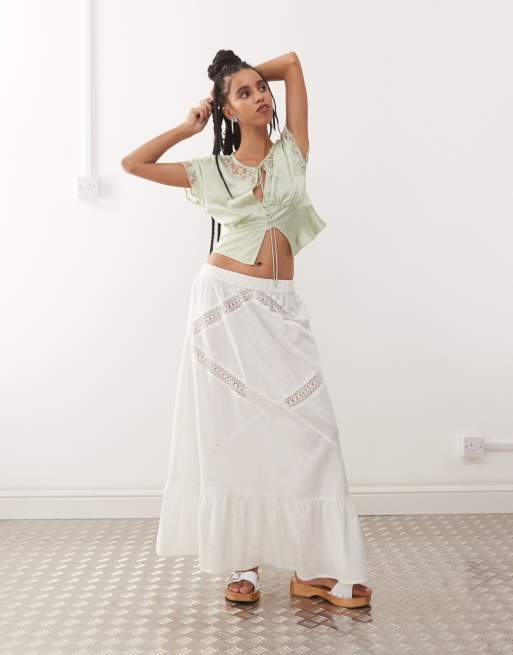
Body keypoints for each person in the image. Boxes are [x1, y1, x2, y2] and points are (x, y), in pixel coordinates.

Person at [121, 49, 373, 608]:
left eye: (262, 88)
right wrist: (191, 123)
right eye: (245, 93)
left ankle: (315, 568)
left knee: (314, 434)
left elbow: (294, 64)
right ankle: (243, 564)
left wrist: (238, 75)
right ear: (227, 111)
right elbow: (132, 165)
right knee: (233, 436)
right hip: (225, 306)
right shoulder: (209, 171)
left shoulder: (292, 152)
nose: (261, 95)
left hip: (280, 306)